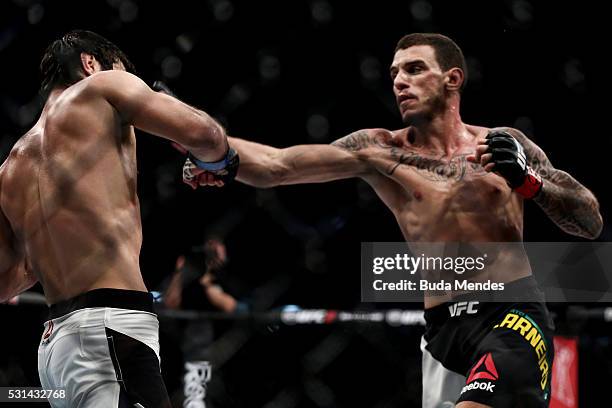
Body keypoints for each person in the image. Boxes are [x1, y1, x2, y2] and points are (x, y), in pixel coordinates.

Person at [186, 33, 603, 407]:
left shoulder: (503, 143)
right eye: (394, 72)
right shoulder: (382, 151)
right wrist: (201, 140)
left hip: (512, 313)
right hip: (442, 331)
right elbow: (276, 165)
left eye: (415, 69)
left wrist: (529, 182)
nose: (399, 80)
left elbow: (588, 220)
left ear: (452, 79)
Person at [0, 30, 238, 407]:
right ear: (90, 63)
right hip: (112, 328)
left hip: (55, 349)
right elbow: (205, 133)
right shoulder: (101, 87)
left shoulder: (11, 166)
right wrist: (219, 161)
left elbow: (10, 279)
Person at [163, 238, 240, 408]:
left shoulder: (226, 277)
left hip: (218, 347)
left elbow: (230, 306)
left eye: (216, 251)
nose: (212, 255)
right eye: (209, 250)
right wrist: (179, 271)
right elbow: (170, 303)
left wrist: (208, 280)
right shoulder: (190, 275)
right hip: (189, 346)